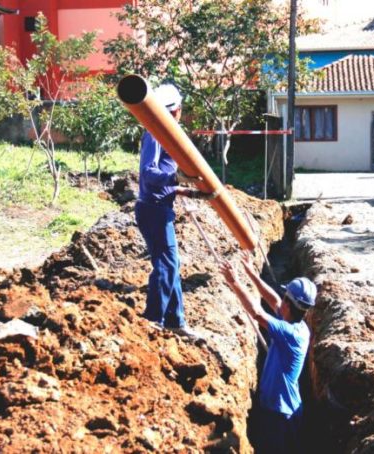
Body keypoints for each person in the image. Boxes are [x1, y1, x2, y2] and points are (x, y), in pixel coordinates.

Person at [220, 253, 316, 454]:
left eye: (285, 298)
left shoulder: (289, 333)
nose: (281, 301)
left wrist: (235, 282)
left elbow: (257, 313)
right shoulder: (298, 325)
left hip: (280, 414)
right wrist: (251, 272)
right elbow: (272, 299)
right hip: (282, 408)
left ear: (289, 304)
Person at [135, 82, 209, 340]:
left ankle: (175, 320)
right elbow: (148, 173)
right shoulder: (155, 134)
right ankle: (153, 319)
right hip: (152, 211)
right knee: (167, 265)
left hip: (159, 207)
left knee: (170, 264)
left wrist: (185, 190)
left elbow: (161, 180)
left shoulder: (166, 133)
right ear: (176, 110)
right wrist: (177, 178)